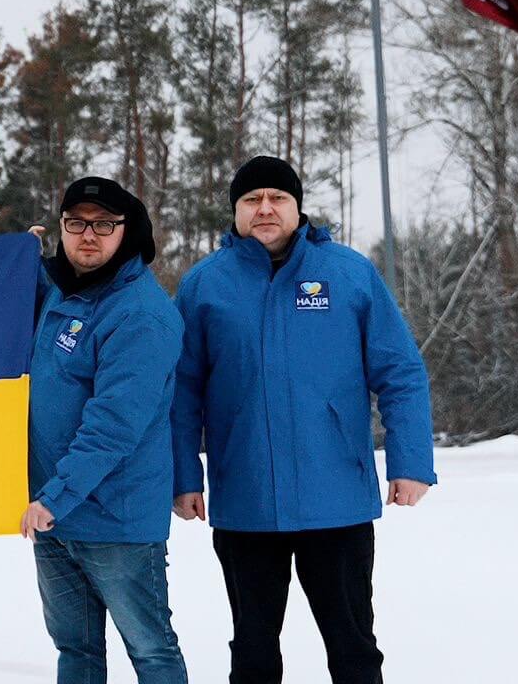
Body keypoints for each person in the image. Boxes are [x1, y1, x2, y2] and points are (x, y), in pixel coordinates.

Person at [171, 156, 436, 684]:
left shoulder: (349, 273)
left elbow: (401, 373)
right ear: (236, 211)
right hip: (245, 498)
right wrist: (184, 476)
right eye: (252, 199)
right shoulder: (204, 285)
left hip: (335, 497)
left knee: (354, 648)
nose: (265, 208)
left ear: (297, 208)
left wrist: (411, 463)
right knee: (253, 653)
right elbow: (180, 391)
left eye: (278, 198)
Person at [22, 176, 188, 683]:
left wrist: (55, 498)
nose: (88, 235)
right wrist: (16, 263)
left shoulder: (141, 315)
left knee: (151, 650)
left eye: (104, 225)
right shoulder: (62, 293)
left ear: (127, 231)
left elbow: (113, 424)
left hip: (115, 518)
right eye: (76, 223)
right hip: (55, 512)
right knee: (76, 652)